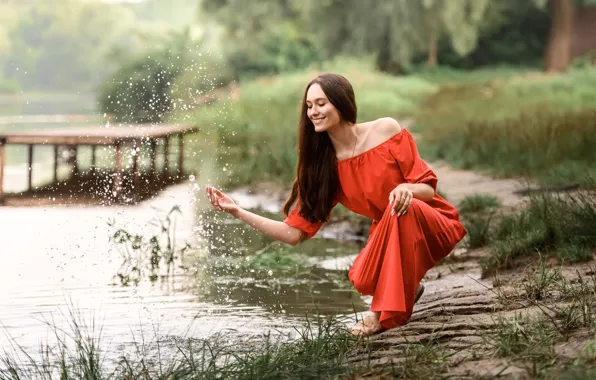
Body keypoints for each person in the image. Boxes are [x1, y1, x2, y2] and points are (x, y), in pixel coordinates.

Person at [205, 73, 467, 336]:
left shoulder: (385, 130)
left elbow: (427, 188)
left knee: (400, 208)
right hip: (388, 232)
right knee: (364, 278)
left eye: (321, 103)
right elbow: (294, 233)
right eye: (309, 106)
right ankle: (409, 286)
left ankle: (377, 314)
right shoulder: (325, 169)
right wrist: (238, 211)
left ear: (341, 102)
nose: (313, 112)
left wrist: (405, 188)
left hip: (430, 219)